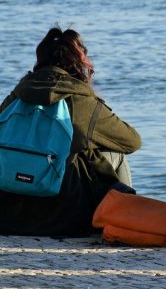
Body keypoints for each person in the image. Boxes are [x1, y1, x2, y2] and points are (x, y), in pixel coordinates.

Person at [0, 26, 141, 236]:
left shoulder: (18, 95)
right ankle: (123, 220)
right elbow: (132, 141)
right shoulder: (81, 100)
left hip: (7, 218)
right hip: (67, 218)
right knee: (115, 154)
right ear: (78, 65)